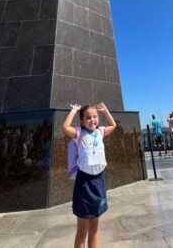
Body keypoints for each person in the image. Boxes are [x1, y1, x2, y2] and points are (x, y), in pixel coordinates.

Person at [62, 102, 117, 248]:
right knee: (82, 230)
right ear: (81, 121)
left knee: (94, 229)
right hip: (84, 183)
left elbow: (113, 125)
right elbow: (65, 127)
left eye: (95, 117)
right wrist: (74, 111)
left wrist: (105, 111)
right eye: (88, 118)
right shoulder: (79, 133)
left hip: (98, 181)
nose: (92, 120)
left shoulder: (100, 132)